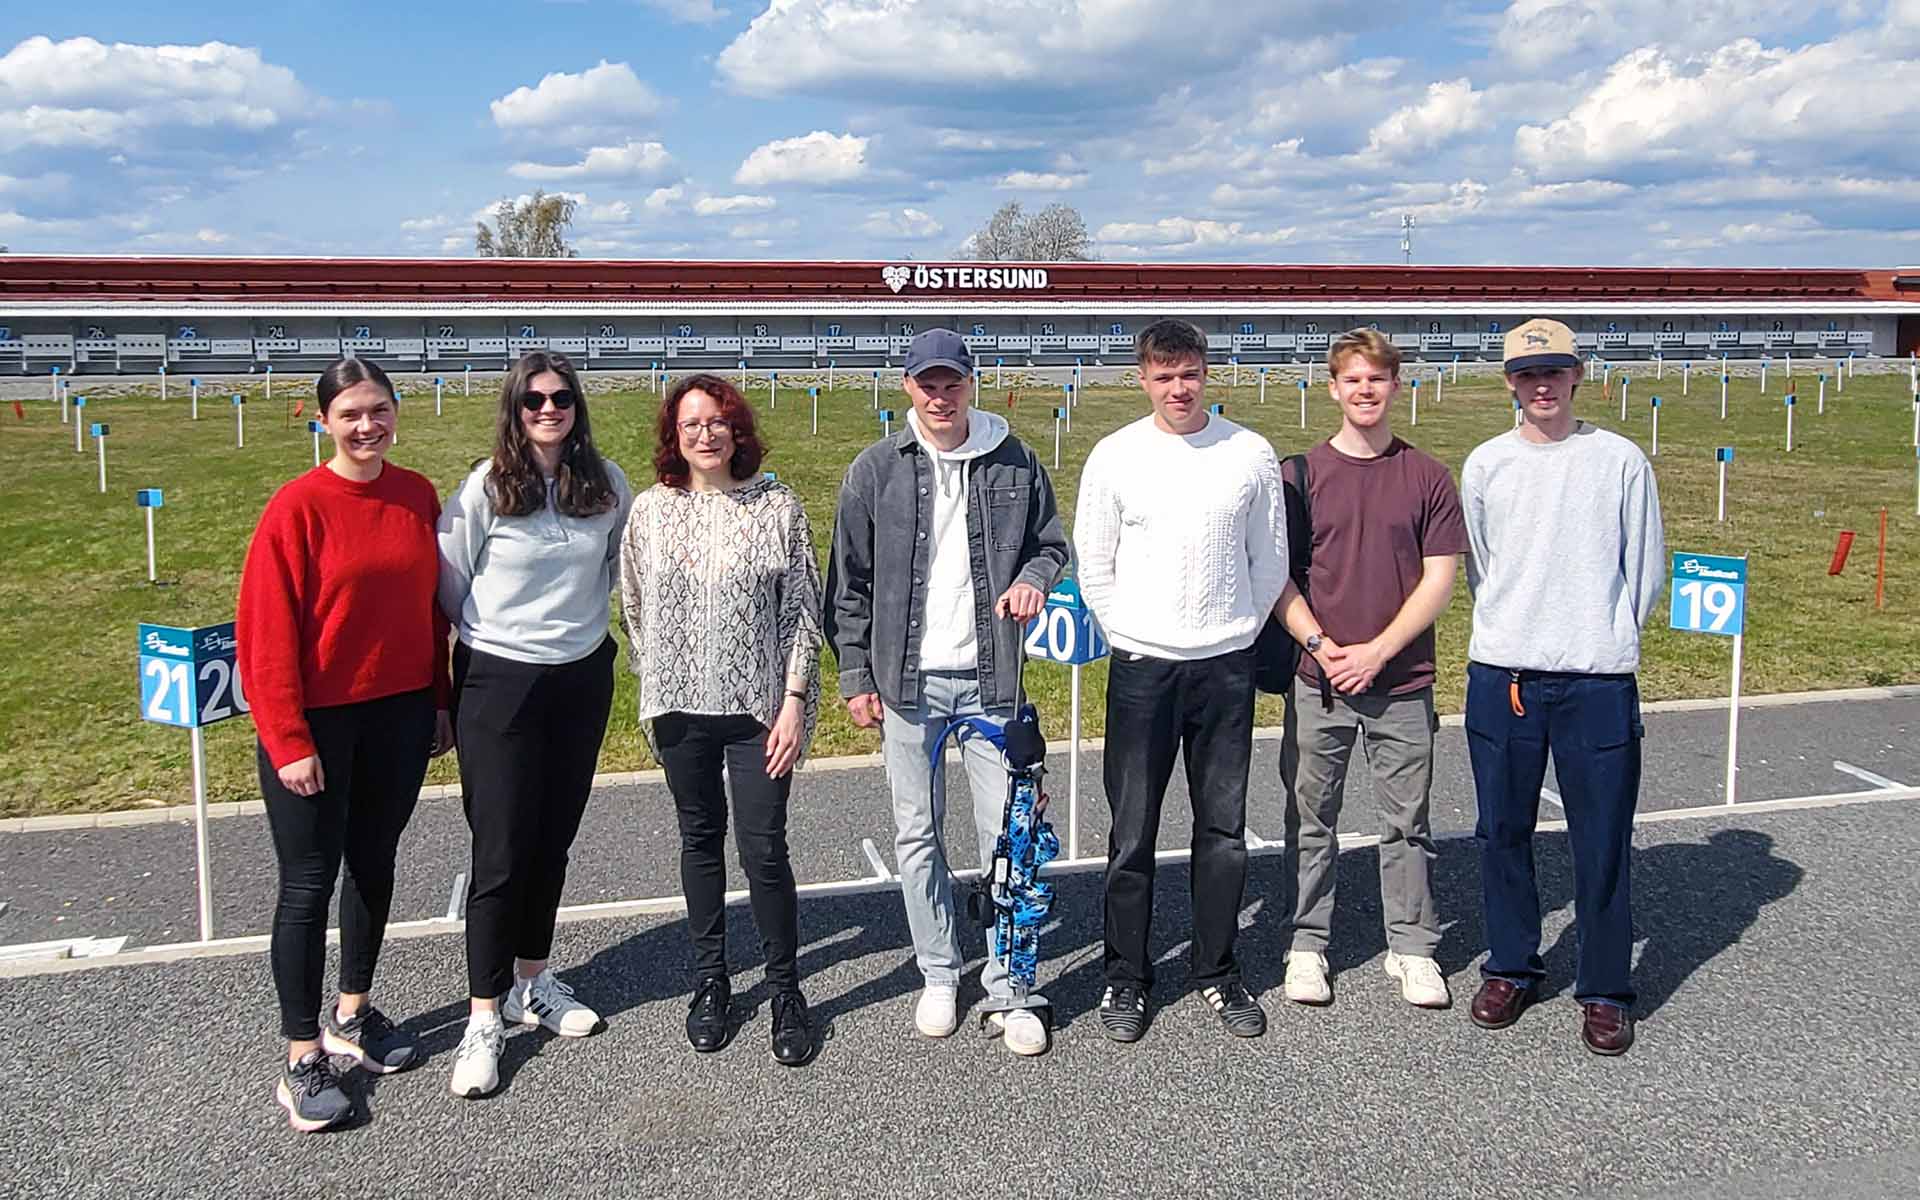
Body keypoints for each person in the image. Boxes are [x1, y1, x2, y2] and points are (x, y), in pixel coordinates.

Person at [825, 328, 1069, 1056]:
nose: (940, 395)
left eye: (952, 382)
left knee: (1009, 839)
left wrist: (1033, 580)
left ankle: (1010, 986)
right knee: (917, 834)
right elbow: (850, 586)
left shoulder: (1016, 460)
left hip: (993, 685)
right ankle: (939, 971)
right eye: (927, 383)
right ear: (907, 387)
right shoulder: (875, 471)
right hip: (908, 686)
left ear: (972, 383)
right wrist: (855, 677)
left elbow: (1052, 544)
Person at [237, 356, 453, 1133]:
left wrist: (437, 701)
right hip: (317, 725)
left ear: (397, 413)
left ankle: (352, 1013)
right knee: (307, 884)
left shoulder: (416, 495)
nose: (368, 426)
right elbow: (263, 638)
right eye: (352, 414)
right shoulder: (296, 509)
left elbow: (431, 610)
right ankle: (302, 1055)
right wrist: (289, 738)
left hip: (396, 715)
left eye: (380, 410)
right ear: (323, 420)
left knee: (375, 864)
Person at [1074, 318, 1288, 1043]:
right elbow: (1094, 562)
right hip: (1142, 668)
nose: (1178, 388)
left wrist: (1238, 634)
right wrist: (1129, 633)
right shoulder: (1114, 456)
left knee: (1222, 831)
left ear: (1207, 373)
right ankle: (1126, 977)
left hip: (1225, 666)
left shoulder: (1249, 454)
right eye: (1163, 376)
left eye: (1189, 373)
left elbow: (1271, 562)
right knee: (1131, 833)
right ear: (1143, 379)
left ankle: (1216, 971)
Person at [1460, 317, 1665, 1056]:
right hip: (1506, 676)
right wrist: (1521, 626)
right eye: (1526, 373)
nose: (1541, 385)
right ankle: (1512, 965)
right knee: (1502, 833)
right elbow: (1485, 565)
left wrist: (1601, 635)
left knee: (1602, 839)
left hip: (1596, 680)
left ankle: (1606, 988)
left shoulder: (1618, 461)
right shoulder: (1486, 464)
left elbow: (1643, 569)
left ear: (1578, 375)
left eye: (1554, 371)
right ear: (1509, 382)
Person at [436, 351, 632, 1098]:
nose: (549, 411)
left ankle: (532, 982)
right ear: (515, 411)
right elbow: (451, 586)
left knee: (552, 843)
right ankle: (483, 1015)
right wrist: (508, 644)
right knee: (501, 852)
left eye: (560, 399)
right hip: (499, 684)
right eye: (533, 401)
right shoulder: (486, 487)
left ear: (577, 406)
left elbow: (614, 566)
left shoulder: (605, 484)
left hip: (579, 678)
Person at [619, 373, 824, 1067]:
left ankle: (786, 987)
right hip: (680, 712)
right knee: (699, 841)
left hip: (757, 712)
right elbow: (634, 604)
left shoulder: (776, 505)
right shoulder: (650, 510)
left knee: (764, 849)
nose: (705, 435)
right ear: (673, 436)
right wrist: (665, 677)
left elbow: (802, 610)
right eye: (691, 425)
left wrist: (794, 699)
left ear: (738, 429)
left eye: (717, 422)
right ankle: (711, 982)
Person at [1272, 329, 1466, 1010]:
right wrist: (1324, 647)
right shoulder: (1301, 477)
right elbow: (1279, 580)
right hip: (1317, 678)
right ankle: (1306, 944)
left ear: (1396, 387)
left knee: (1406, 822)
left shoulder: (1428, 477)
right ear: (1332, 387)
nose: (1365, 390)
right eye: (1352, 379)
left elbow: (1439, 579)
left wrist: (1380, 650)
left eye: (1377, 380)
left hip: (1402, 681)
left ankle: (1412, 947)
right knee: (1309, 818)